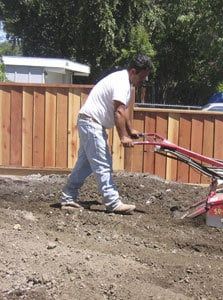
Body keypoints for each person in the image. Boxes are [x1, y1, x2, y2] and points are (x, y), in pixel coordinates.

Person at [60, 54, 153, 214]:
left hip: (90, 122)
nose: (142, 81)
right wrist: (123, 137)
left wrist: (130, 130)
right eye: (142, 78)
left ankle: (68, 197)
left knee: (85, 164)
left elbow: (122, 112)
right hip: (91, 123)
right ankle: (112, 202)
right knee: (103, 163)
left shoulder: (125, 82)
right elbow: (118, 112)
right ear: (133, 72)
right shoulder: (122, 83)